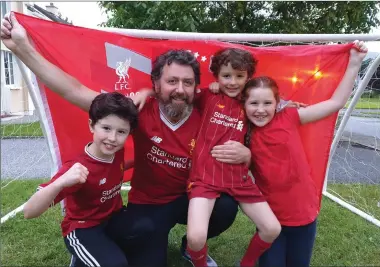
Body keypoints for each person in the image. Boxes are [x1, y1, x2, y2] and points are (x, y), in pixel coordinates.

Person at [1, 12, 248, 267]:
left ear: (197, 86)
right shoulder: (137, 110)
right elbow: (72, 90)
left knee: (226, 206)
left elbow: (259, 114)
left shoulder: (207, 112)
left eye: (187, 82)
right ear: (157, 83)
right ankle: (114, 245)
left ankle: (191, 245)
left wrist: (247, 153)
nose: (180, 89)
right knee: (146, 251)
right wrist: (21, 48)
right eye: (171, 81)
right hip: (149, 206)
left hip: (189, 197)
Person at [237, 41, 367, 267]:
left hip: (304, 213)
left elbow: (335, 102)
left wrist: (354, 63)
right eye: (253, 103)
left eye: (267, 102)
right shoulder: (242, 130)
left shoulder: (290, 117)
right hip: (271, 219)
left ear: (277, 103)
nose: (260, 109)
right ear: (244, 105)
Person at [185, 48, 281, 267]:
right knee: (195, 237)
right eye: (226, 76)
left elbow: (271, 105)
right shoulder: (209, 96)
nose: (232, 82)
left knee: (272, 228)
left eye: (239, 76)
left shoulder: (250, 103)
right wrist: (145, 93)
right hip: (205, 178)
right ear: (216, 75)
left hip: (238, 179)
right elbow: (178, 93)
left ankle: (245, 264)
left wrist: (288, 106)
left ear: (248, 78)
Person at [23, 92, 139, 267]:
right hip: (83, 228)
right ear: (92, 125)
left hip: (111, 219)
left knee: (146, 226)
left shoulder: (117, 152)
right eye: (106, 128)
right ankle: (80, 258)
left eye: (121, 131)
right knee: (116, 264)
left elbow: (116, 167)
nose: (112, 138)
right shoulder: (76, 169)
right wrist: (61, 182)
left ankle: (99, 251)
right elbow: (29, 211)